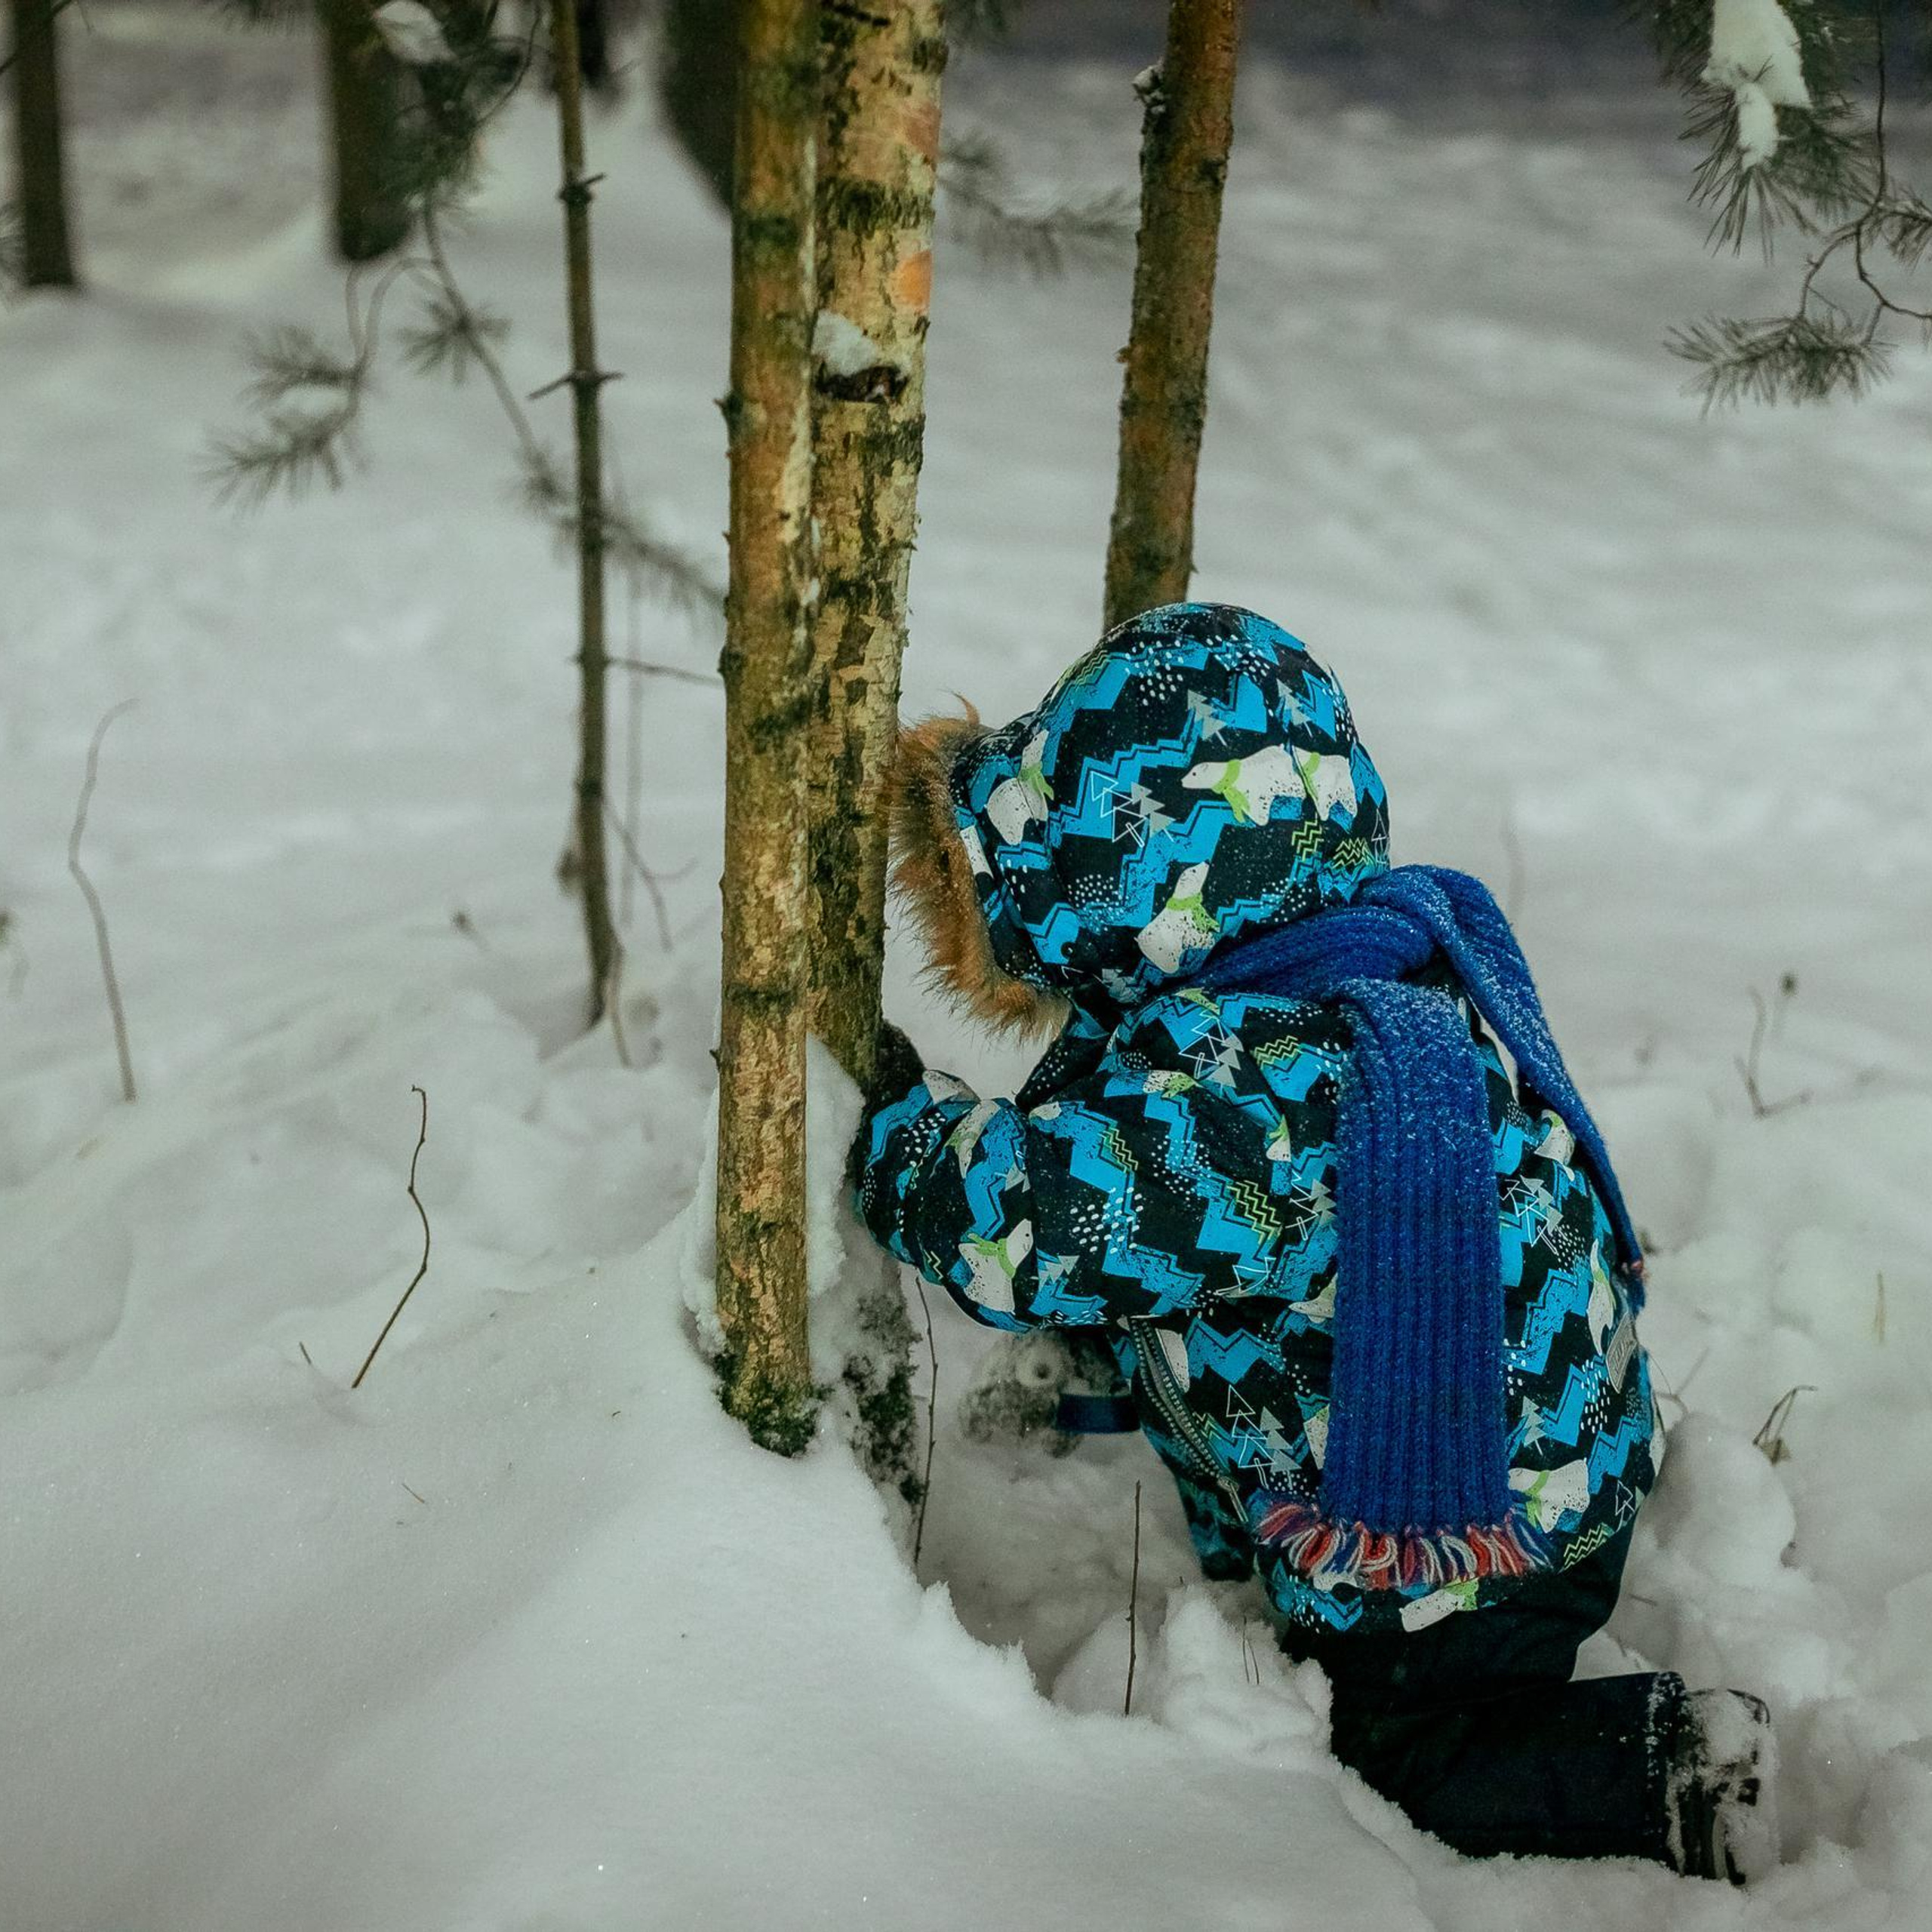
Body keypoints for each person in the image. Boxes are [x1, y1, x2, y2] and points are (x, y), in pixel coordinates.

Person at [848, 601, 1776, 1880]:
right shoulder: (1383, 961)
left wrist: (889, 1117)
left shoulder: (1258, 1105)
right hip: (1567, 1462)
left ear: (1134, 898)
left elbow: (1025, 1231)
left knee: (1397, 1756)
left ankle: (1673, 1769)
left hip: (1469, 1572)